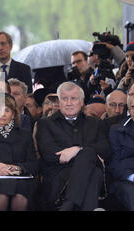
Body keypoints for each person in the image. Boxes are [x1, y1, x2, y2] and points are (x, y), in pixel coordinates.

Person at [36, 82, 111, 211]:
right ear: (59, 102)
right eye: (65, 99)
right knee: (94, 172)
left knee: (91, 166)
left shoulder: (96, 123)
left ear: (82, 102)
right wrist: (87, 153)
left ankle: (69, 204)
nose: (69, 103)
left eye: (73, 98)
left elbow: (105, 150)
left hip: (83, 176)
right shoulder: (45, 124)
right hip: (58, 175)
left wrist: (77, 149)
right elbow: (49, 155)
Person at [0, 31, 32, 96]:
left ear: (11, 46)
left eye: (3, 44)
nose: (0, 48)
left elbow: (29, 96)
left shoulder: (24, 69)